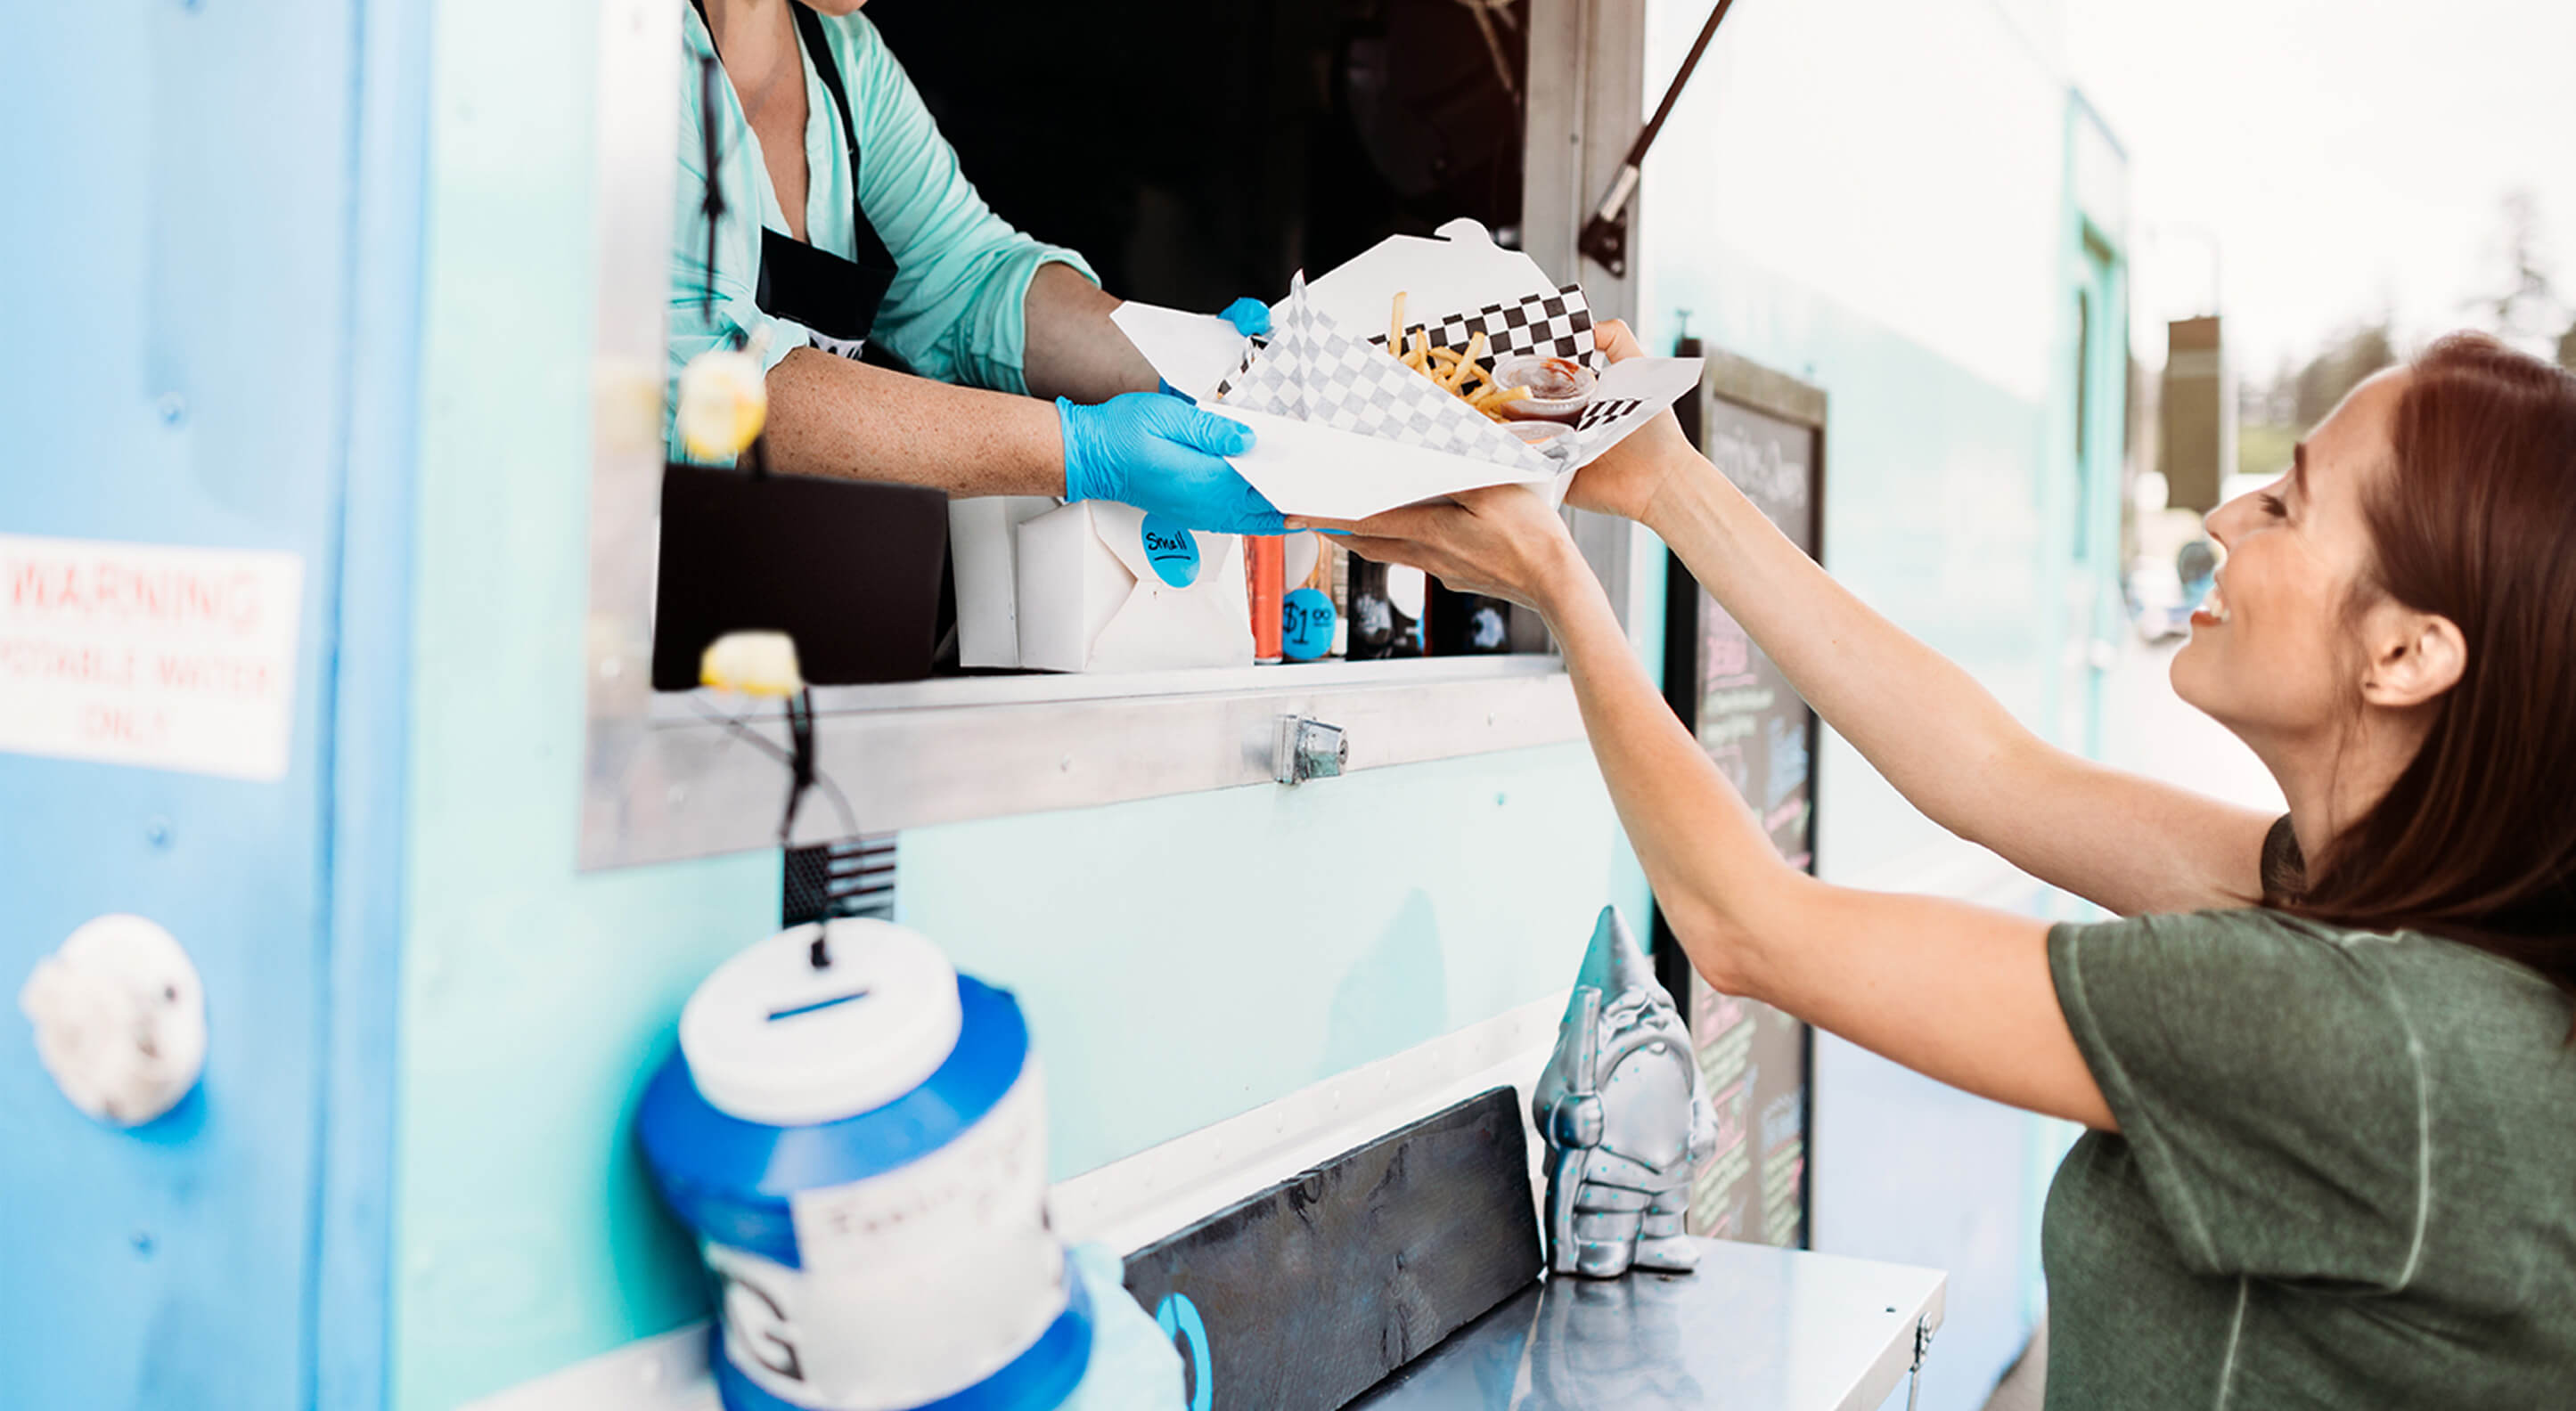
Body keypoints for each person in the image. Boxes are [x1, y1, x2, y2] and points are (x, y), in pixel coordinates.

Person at [1303, 329, 2576, 1407]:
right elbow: (1984, 773)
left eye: (2287, 503)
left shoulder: (2357, 1034)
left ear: (2405, 657)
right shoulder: (2371, 920)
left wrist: (1560, 590)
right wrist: (1662, 483)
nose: (2224, 514)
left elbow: (1747, 928)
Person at [674, 0, 1275, 533]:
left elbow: (969, 283)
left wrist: (1204, 365)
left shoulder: (843, 55)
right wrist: (1081, 450)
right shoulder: (624, 46)